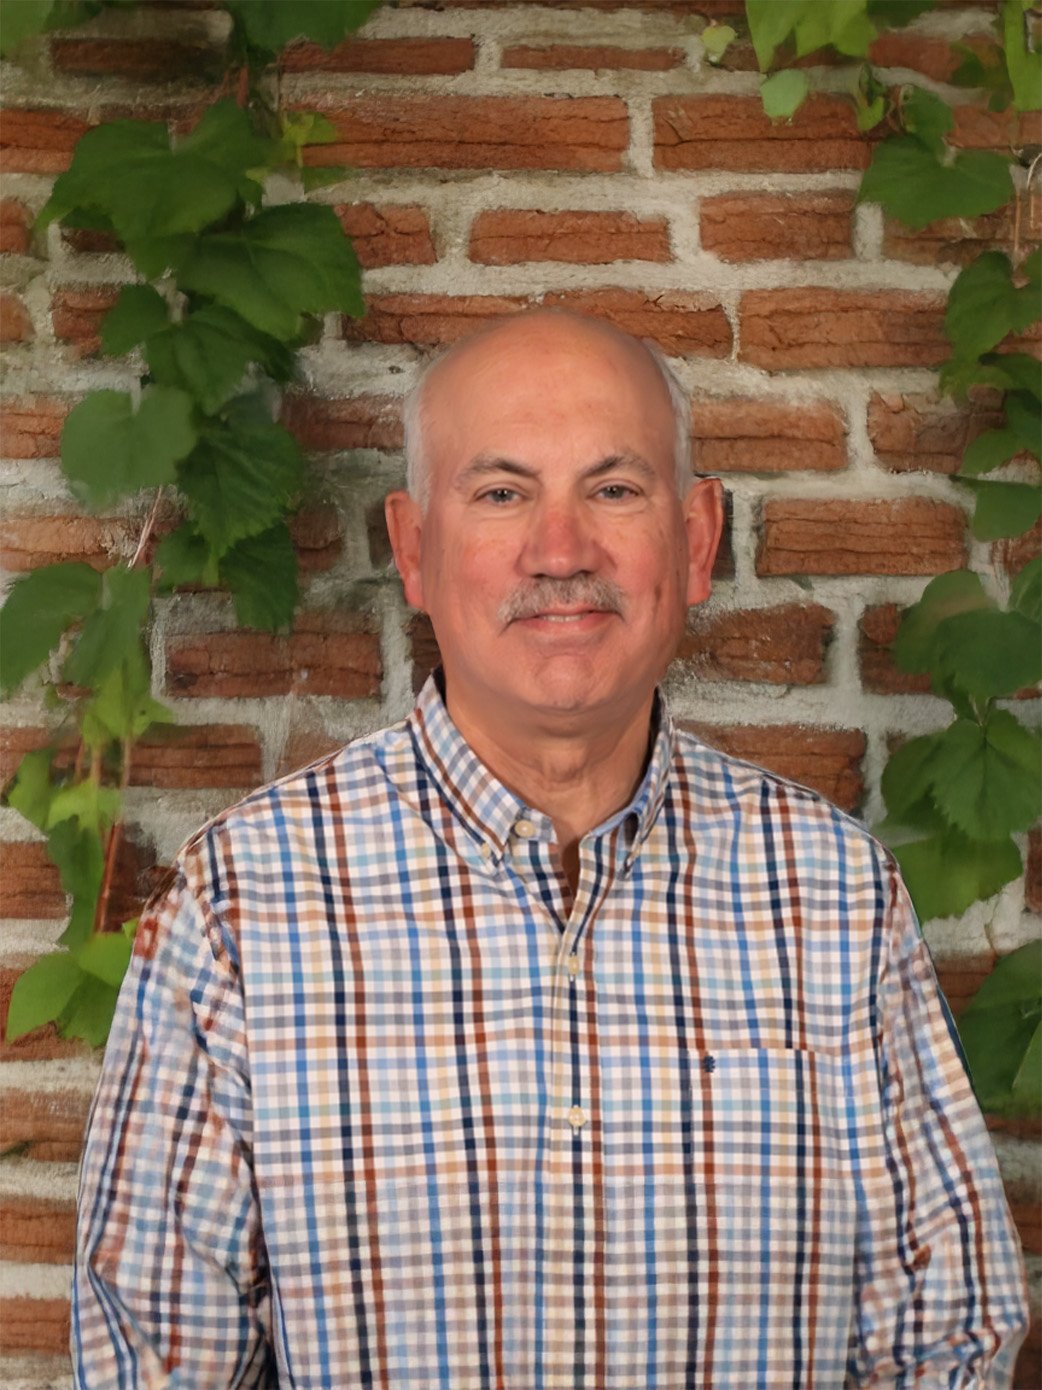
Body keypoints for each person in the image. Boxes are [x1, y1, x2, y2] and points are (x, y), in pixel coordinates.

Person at [73, 309, 1028, 1388]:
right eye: (501, 493)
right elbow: (155, 1358)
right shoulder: (240, 907)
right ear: (416, 549)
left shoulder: (834, 896)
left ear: (698, 539)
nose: (561, 551)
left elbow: (946, 1337)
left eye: (613, 490)